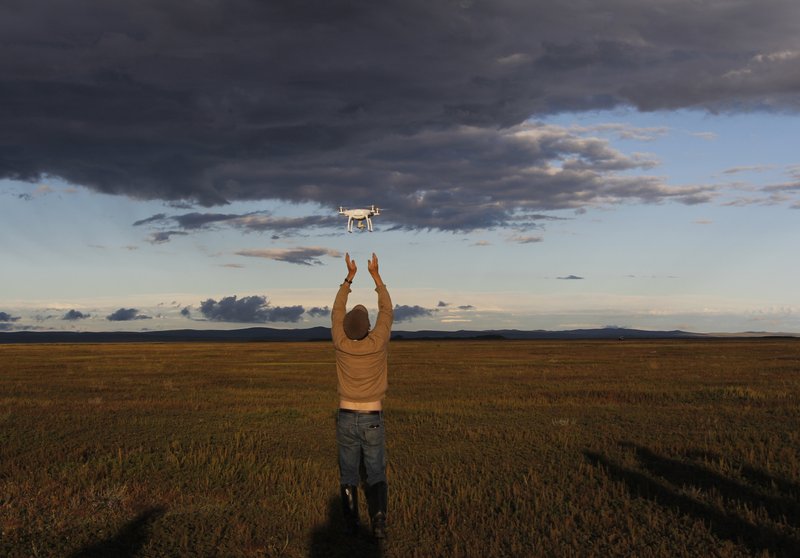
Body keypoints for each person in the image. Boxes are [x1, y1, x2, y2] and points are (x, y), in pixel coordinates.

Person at [331, 252, 393, 539]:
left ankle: (351, 524)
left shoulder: (340, 342)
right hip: (372, 416)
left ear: (344, 327)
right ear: (369, 328)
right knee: (376, 472)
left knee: (348, 474)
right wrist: (375, 275)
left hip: (345, 416)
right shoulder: (377, 342)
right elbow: (387, 311)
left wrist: (349, 277)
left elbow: (336, 310)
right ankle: (378, 521)